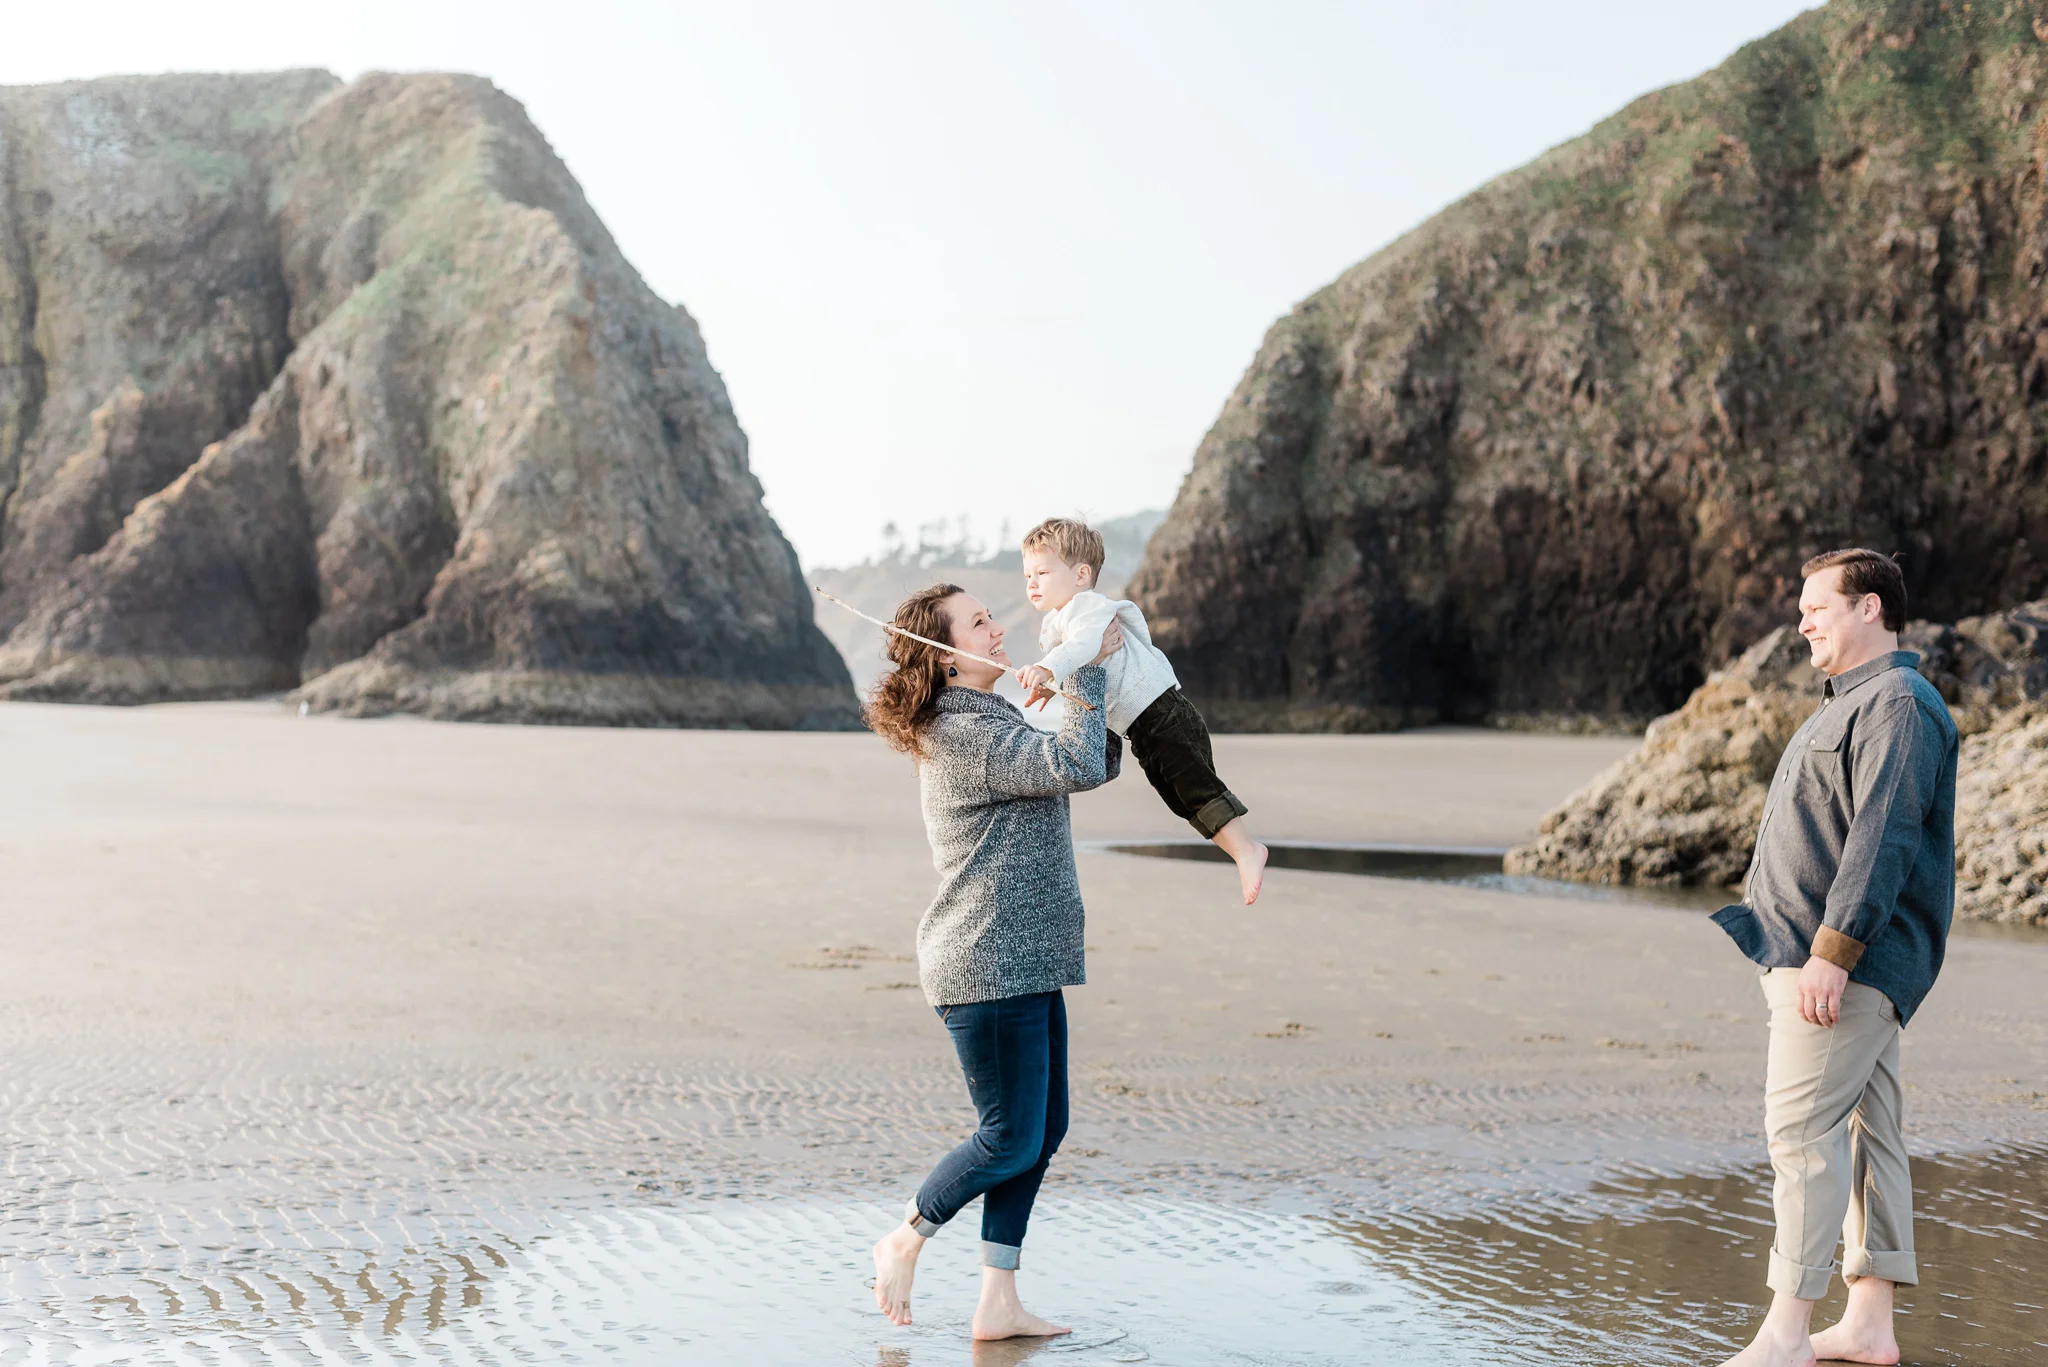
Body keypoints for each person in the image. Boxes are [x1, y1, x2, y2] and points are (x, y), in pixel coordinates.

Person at [1710, 548, 1959, 1367]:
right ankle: (1868, 1323)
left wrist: (1832, 951)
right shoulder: (1851, 702)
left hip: (1843, 966)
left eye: (1820, 605)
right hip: (1835, 963)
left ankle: (1785, 1334)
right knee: (1865, 1133)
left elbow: (1882, 835)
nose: (1803, 620)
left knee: (1801, 1133)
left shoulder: (1897, 702)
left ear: (1872, 610)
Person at [864, 581, 1125, 1340]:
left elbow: (1093, 756)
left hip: (1026, 958)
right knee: (1010, 1132)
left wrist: (1088, 686)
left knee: (1043, 1129)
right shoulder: (960, 731)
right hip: (986, 962)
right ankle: (906, 1235)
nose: (997, 627)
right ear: (946, 659)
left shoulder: (988, 715)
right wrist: (1085, 670)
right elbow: (1074, 762)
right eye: (978, 623)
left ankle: (998, 1301)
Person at [1012, 517, 1268, 904]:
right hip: (1140, 727)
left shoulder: (1089, 607)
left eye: (1042, 572)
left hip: (1162, 712)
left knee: (1194, 785)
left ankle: (1247, 849)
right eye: (1028, 573)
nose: (1031, 582)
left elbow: (1083, 649)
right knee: (1177, 796)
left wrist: (1049, 667)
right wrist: (1051, 685)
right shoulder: (1058, 622)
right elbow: (1084, 665)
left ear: (1082, 574)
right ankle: (1239, 851)